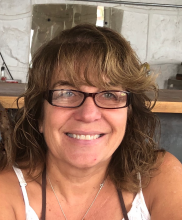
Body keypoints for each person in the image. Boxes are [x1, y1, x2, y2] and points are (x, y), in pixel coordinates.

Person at [0, 24, 182, 220]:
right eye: (67, 93)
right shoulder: (7, 189)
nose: (88, 114)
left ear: (128, 115)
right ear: (40, 116)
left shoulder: (159, 174)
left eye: (110, 94)